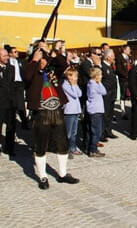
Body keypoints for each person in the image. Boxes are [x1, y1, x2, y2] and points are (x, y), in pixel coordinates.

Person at [22, 49, 79, 189]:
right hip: (41, 113)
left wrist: (53, 53)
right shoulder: (32, 72)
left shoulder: (52, 72)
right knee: (41, 146)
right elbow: (26, 77)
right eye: (41, 58)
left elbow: (64, 66)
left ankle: (62, 174)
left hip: (57, 112)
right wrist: (34, 60)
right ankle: (42, 176)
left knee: (62, 143)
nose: (43, 61)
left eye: (45, 59)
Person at [86, 68, 107, 157]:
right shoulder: (93, 85)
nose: (102, 76)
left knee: (95, 130)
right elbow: (104, 91)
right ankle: (93, 150)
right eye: (100, 75)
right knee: (96, 131)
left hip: (96, 109)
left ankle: (92, 148)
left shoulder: (93, 84)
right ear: (97, 76)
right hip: (95, 110)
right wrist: (100, 82)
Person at [62, 68, 82, 159]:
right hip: (69, 111)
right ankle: (65, 149)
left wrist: (75, 85)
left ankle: (72, 147)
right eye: (75, 76)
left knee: (74, 132)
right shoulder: (65, 85)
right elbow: (74, 95)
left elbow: (79, 94)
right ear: (70, 77)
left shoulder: (74, 85)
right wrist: (73, 85)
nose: (76, 78)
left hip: (76, 110)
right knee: (68, 132)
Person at [7, 46, 28, 131]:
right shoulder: (7, 62)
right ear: (10, 54)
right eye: (15, 52)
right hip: (11, 84)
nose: (17, 53)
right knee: (12, 103)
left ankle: (24, 123)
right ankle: (11, 121)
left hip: (19, 84)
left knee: (21, 104)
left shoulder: (20, 61)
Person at [0, 48, 16, 156]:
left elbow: (11, 84)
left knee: (11, 126)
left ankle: (9, 148)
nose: (7, 58)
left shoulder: (11, 68)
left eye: (7, 55)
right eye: (4, 56)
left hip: (10, 102)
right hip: (0, 101)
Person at [115, 45, 133, 120]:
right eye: (128, 49)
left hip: (130, 79)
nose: (130, 51)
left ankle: (131, 110)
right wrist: (126, 76)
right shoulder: (119, 58)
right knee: (123, 95)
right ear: (124, 50)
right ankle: (123, 111)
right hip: (123, 79)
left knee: (130, 94)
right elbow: (118, 70)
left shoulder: (130, 57)